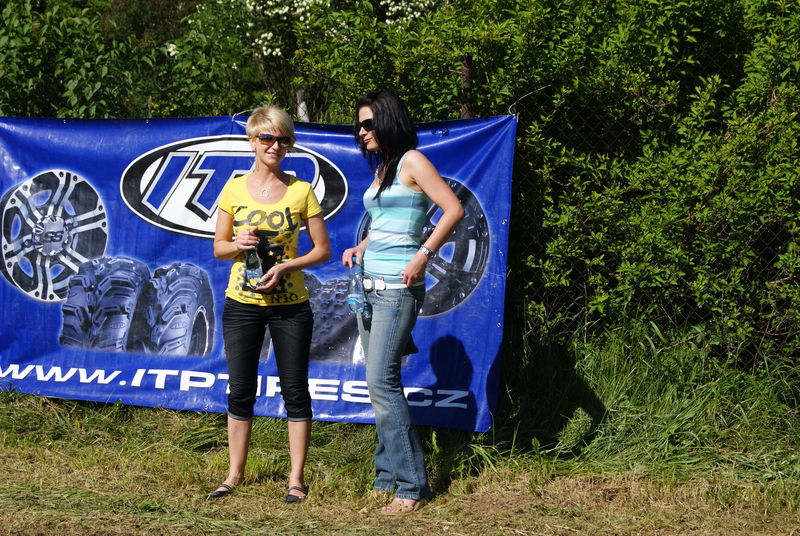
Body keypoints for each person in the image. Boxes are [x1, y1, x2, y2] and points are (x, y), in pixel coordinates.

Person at [341, 91, 464, 515]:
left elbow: (452, 209)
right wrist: (362, 246)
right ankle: (385, 475)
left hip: (397, 288)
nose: (361, 132)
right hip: (368, 286)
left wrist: (423, 255)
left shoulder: (413, 160)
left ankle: (412, 485)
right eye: (358, 125)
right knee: (378, 384)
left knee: (382, 382)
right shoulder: (385, 167)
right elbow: (387, 222)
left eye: (368, 124)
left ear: (388, 120)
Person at [207, 105, 330, 503]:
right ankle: (234, 475)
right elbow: (218, 248)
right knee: (240, 390)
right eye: (267, 138)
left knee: (295, 390)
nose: (275, 146)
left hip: (291, 305)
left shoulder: (301, 191)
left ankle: (296, 479)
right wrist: (237, 244)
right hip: (241, 303)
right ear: (252, 141)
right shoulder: (233, 189)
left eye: (283, 140)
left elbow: (323, 250)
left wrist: (286, 266)